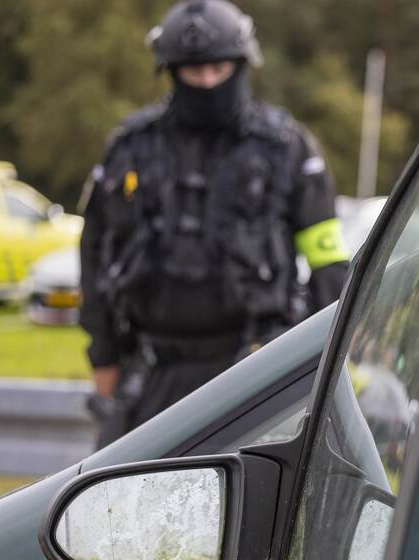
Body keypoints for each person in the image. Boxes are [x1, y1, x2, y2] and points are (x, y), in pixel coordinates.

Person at [80, 0, 350, 446]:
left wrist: (317, 362)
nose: (207, 82)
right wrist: (103, 356)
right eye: (193, 71)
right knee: (115, 506)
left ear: (243, 64)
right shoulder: (129, 149)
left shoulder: (287, 148)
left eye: (219, 68)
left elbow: (329, 265)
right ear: (170, 70)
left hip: (258, 369)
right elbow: (93, 255)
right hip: (152, 373)